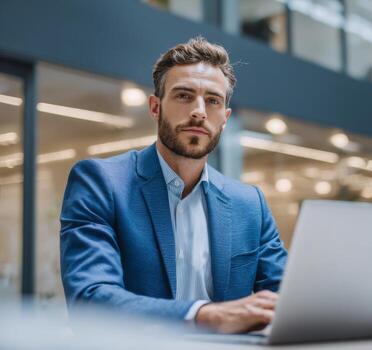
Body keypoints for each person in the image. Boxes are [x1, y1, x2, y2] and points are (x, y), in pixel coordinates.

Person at [60, 37, 287, 333]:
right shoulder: (101, 182)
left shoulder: (250, 203)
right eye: (184, 96)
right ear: (155, 107)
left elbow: (287, 297)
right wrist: (205, 315)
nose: (199, 111)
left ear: (225, 118)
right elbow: (90, 298)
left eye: (213, 101)